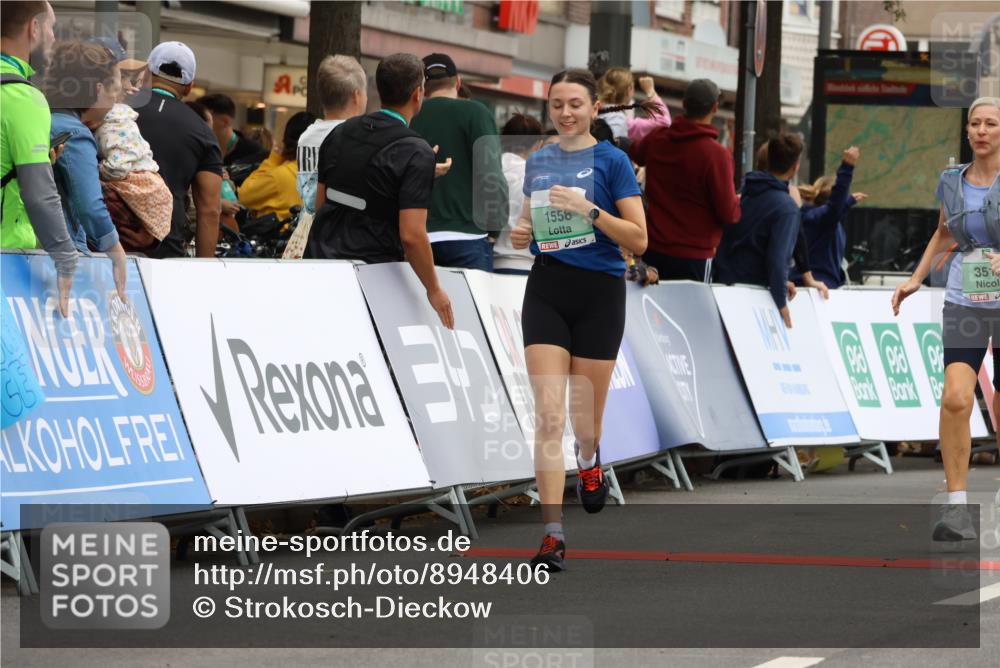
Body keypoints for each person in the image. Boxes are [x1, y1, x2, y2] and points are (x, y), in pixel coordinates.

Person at [509, 69, 647, 571]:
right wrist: (521, 233)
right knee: (548, 417)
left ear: (593, 109)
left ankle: (589, 459)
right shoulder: (539, 161)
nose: (565, 113)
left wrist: (590, 210)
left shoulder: (613, 162)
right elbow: (525, 224)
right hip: (546, 289)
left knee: (585, 424)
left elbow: (639, 240)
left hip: (599, 296)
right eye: (556, 105)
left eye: (574, 104)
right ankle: (552, 534)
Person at [892, 97, 1000, 541]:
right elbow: (944, 232)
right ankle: (956, 509)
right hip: (965, 300)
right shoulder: (952, 181)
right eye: (975, 123)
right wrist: (915, 279)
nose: (980, 131)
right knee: (956, 398)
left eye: (991, 124)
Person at [306, 53, 453, 330]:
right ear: (418, 94)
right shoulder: (415, 151)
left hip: (322, 265)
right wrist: (434, 288)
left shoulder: (340, 132)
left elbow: (320, 201)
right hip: (372, 278)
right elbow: (411, 235)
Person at [1, 0, 77, 316]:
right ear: (34, 28)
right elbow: (40, 195)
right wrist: (66, 259)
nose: (53, 38)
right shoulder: (22, 97)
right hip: (7, 256)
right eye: (51, 28)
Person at [630, 78, 739, 282]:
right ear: (715, 108)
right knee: (690, 313)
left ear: (684, 104)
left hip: (653, 249)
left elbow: (636, 153)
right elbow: (728, 212)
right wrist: (738, 202)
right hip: (694, 256)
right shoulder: (716, 155)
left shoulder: (658, 139)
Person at [44, 40, 128, 300]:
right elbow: (90, 207)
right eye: (114, 86)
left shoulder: (41, 117)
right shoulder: (76, 133)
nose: (116, 95)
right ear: (97, 88)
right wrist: (116, 251)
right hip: (61, 256)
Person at [410, 52, 508, 272]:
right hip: (468, 235)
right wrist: (494, 229)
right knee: (470, 307)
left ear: (421, 88)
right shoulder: (476, 113)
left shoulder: (410, 117)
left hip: (417, 235)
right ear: (458, 81)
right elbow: (491, 174)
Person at [132, 41, 223, 258]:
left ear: (146, 72)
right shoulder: (203, 132)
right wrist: (203, 268)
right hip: (166, 245)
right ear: (190, 86)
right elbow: (210, 210)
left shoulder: (117, 110)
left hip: (110, 241)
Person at [88, 38, 173, 247]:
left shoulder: (115, 121)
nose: (131, 88)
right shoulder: (93, 125)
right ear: (98, 83)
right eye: (121, 77)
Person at [715, 133, 803, 328]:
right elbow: (777, 258)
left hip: (722, 286)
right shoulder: (787, 208)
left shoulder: (745, 193)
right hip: (751, 295)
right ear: (794, 167)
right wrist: (781, 300)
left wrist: (779, 281)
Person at [297, 55, 368, 215]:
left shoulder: (306, 136)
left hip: (309, 231)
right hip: (343, 232)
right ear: (357, 96)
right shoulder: (358, 137)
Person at [798, 147, 866, 289]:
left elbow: (835, 210)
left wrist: (848, 202)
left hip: (817, 286)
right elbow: (834, 209)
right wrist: (847, 168)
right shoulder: (823, 219)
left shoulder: (816, 217)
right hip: (819, 288)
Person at [238, 111, 313, 220]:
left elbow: (244, 195)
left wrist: (274, 159)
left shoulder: (279, 176)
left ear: (286, 140)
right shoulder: (321, 174)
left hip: (280, 235)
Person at [495, 113, 543, 275]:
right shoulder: (539, 177)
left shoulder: (489, 171)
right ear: (538, 145)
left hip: (490, 262)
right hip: (525, 263)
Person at [196, 92, 269, 175]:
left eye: (205, 119)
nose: (199, 125)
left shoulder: (255, 154)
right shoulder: (201, 151)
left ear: (225, 121)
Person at [597, 68, 670, 144]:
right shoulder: (624, 123)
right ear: (629, 90)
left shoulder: (593, 113)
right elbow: (663, 122)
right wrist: (651, 91)